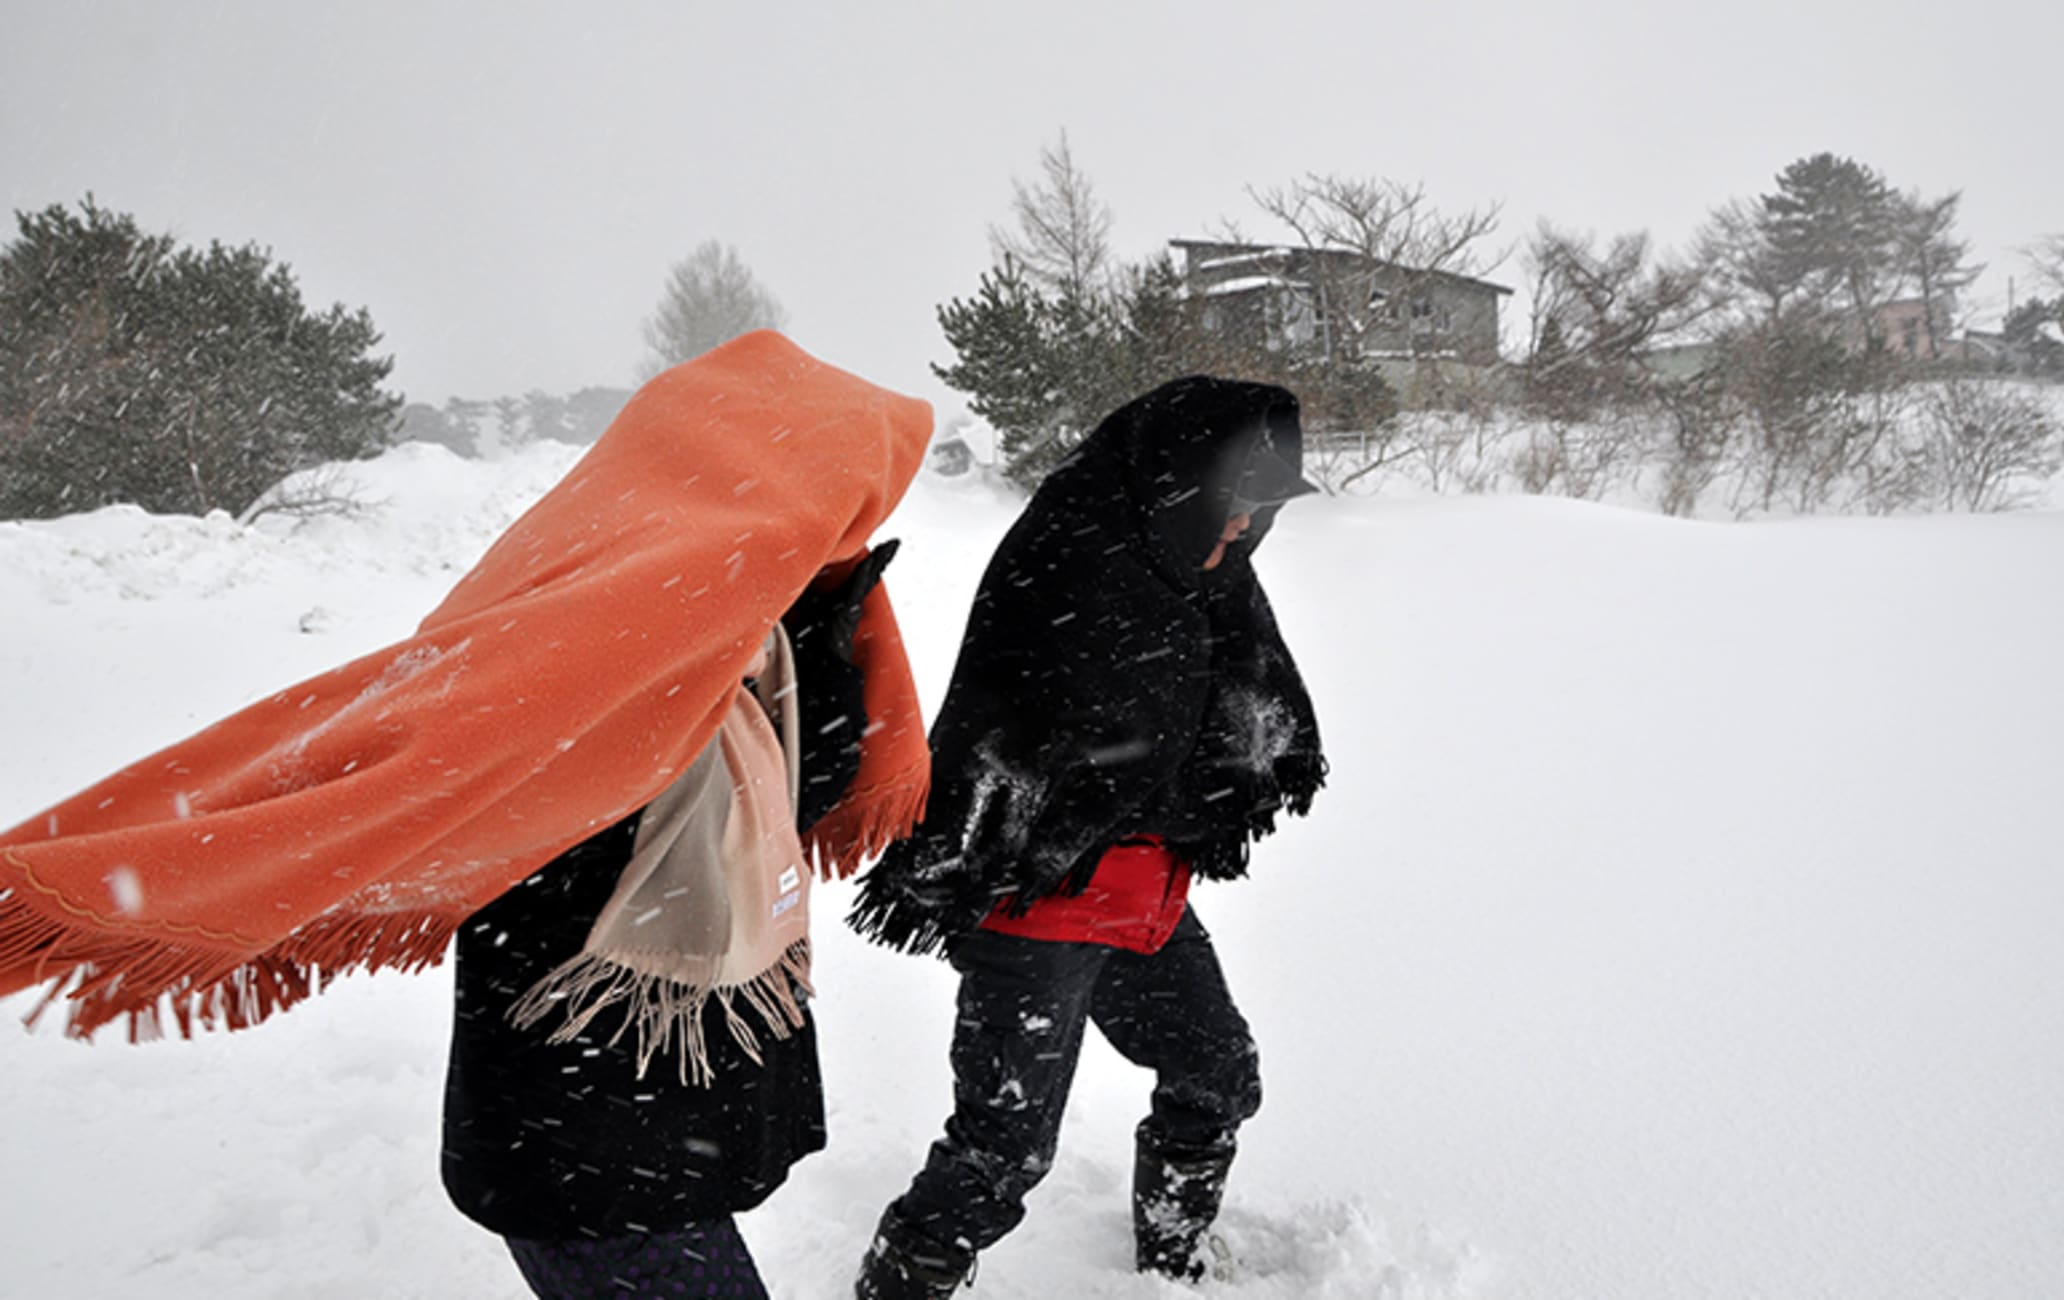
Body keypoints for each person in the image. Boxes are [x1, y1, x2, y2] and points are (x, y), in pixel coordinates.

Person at [0, 331, 935, 1297]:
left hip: (665, 1081)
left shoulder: (767, 608)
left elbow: (811, 784)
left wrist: (825, 618)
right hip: (582, 1101)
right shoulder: (611, 613)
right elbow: (414, 759)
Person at [847, 376, 1327, 1297]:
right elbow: (1060, 748)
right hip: (1039, 908)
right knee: (1003, 1152)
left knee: (1217, 1073)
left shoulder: (1196, 564)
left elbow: (1227, 716)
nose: (1240, 537)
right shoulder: (1077, 555)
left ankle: (1172, 1260)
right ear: (1180, 481)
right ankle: (896, 1284)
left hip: (1145, 901)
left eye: (1257, 519)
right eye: (1234, 510)